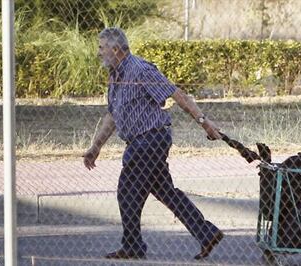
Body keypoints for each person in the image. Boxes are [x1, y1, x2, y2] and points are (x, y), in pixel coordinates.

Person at [83, 27, 224, 260]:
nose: (99, 52)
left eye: (102, 47)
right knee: (166, 192)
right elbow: (113, 115)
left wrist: (204, 122)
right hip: (142, 142)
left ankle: (133, 246)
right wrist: (96, 147)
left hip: (150, 140)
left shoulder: (140, 70)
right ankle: (206, 233)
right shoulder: (115, 76)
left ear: (116, 49)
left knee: (127, 191)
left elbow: (176, 94)